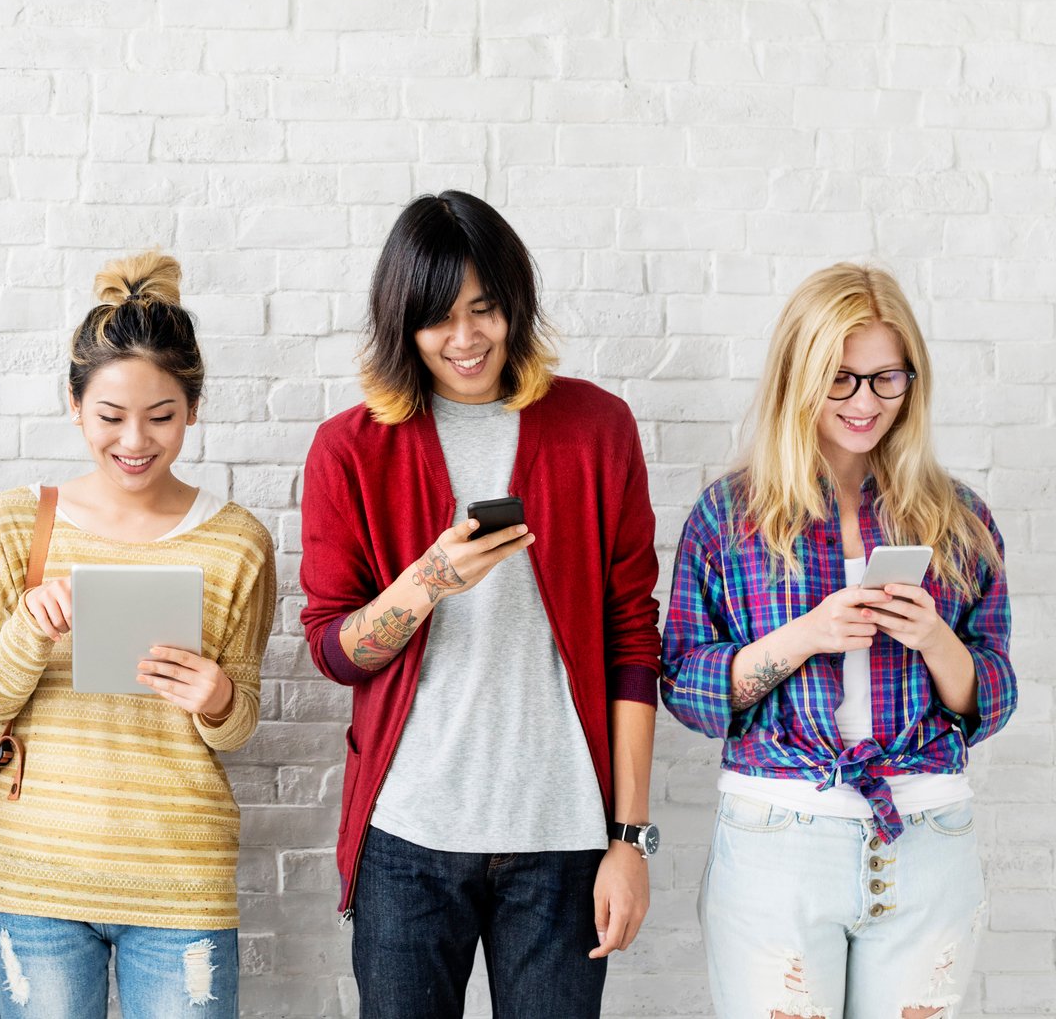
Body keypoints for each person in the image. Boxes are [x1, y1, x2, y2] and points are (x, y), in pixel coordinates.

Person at [298, 191, 663, 1019]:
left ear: (514, 304)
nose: (465, 340)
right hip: (408, 841)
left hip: (563, 837)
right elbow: (334, 651)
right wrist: (427, 580)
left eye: (484, 309)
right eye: (437, 319)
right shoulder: (350, 447)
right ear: (403, 325)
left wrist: (629, 840)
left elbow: (632, 643)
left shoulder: (596, 428)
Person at [662, 264, 1015, 1018]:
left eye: (886, 379)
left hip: (928, 832)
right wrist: (806, 636)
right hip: (777, 837)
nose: (865, 403)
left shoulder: (960, 518)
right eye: (841, 379)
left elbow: (992, 697)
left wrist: (933, 640)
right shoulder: (729, 516)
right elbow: (688, 690)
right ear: (799, 375)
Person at [0, 252, 276, 1019]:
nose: (135, 441)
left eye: (161, 417)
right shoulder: (17, 522)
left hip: (181, 876)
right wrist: (30, 633)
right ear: (75, 406)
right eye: (110, 417)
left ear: (193, 410)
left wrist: (219, 696)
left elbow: (239, 727)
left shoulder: (238, 541)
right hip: (37, 873)